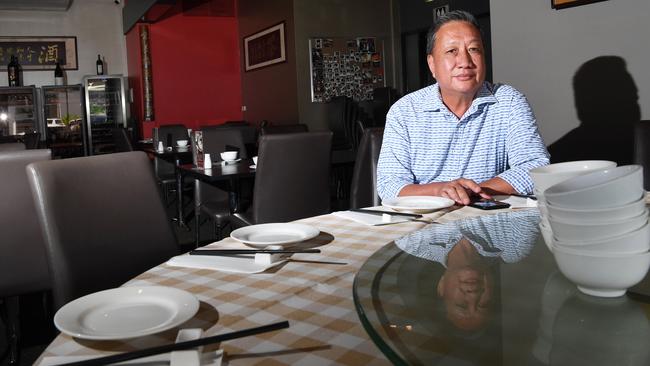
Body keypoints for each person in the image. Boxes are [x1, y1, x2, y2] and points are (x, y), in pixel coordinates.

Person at [377, 10, 549, 205]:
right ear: (432, 64)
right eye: (452, 51)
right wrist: (440, 190)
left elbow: (536, 166)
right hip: (425, 223)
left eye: (474, 49)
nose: (465, 62)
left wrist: (473, 191)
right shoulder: (404, 112)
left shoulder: (508, 101)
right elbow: (389, 185)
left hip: (487, 221)